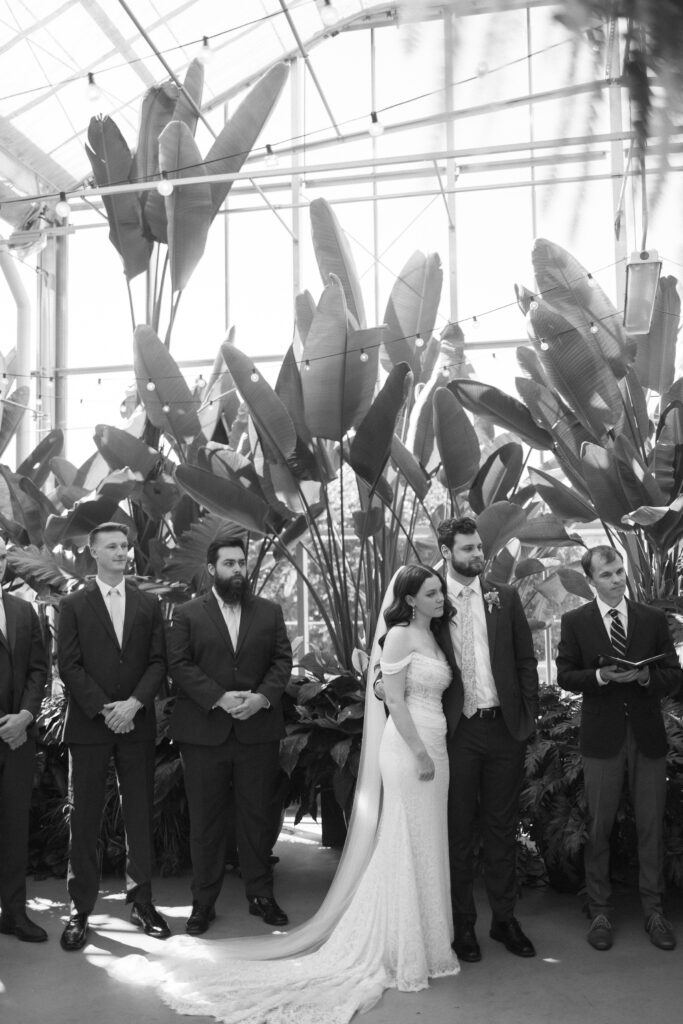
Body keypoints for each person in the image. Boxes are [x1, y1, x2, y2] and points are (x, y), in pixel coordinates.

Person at [113, 564, 459, 1022]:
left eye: (441, 592)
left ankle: (428, 940)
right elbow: (391, 697)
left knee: (425, 840)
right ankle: (395, 943)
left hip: (433, 745)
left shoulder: (436, 634)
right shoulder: (398, 635)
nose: (441, 598)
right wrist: (419, 751)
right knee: (401, 842)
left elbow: (296, 666)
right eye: (433, 592)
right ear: (411, 598)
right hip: (413, 749)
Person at [556, 545, 682, 952]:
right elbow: (565, 675)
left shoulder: (650, 617)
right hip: (601, 738)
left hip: (647, 737)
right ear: (591, 580)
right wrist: (600, 676)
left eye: (619, 571)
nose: (616, 579)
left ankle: (654, 910)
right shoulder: (575, 621)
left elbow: (673, 674)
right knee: (599, 827)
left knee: (650, 826)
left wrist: (646, 678)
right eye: (606, 574)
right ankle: (600, 910)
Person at [167, 534, 292, 934]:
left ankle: (261, 895)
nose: (238, 570)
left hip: (257, 731)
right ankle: (203, 903)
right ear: (212, 569)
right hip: (204, 735)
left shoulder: (270, 612)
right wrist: (218, 698)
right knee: (206, 822)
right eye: (229, 564)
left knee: (257, 818)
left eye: (241, 563)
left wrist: (262, 699)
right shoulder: (187, 613)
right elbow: (179, 664)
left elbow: (282, 661)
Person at [57, 522, 169, 951]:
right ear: (94, 553)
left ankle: (142, 903)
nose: (122, 552)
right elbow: (67, 665)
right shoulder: (73, 604)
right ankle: (80, 910)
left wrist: (134, 705)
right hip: (90, 726)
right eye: (113, 546)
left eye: (125, 545)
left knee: (139, 813)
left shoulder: (147, 603)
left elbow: (158, 662)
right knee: (84, 817)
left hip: (136, 724)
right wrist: (106, 709)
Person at [436, 516, 539, 962]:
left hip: (503, 731)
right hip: (455, 734)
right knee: (458, 834)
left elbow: (525, 660)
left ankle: (503, 920)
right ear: (446, 553)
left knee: (500, 829)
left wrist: (526, 718)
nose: (479, 555)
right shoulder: (427, 598)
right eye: (468, 549)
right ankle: (463, 928)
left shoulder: (505, 597)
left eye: (480, 547)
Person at [0, 537, 49, 943]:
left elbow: (39, 670)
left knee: (16, 830)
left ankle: (14, 914)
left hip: (18, 739)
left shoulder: (23, 611)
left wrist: (25, 717)